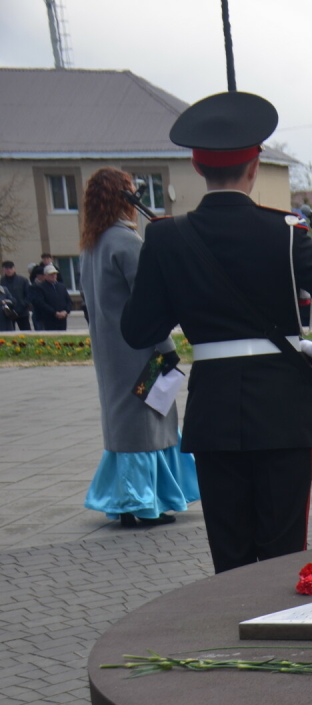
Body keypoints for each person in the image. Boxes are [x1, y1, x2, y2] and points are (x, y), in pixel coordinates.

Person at [121, 90, 312, 573]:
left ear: (196, 166)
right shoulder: (285, 232)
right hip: (282, 411)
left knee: (230, 566)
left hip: (213, 413)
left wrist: (177, 288)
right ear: (255, 165)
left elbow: (138, 330)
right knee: (282, 563)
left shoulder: (166, 239)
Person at [78, 167, 201, 528]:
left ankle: (129, 500)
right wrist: (167, 347)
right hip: (141, 353)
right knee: (148, 420)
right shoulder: (127, 242)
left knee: (124, 422)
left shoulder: (91, 244)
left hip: (108, 352)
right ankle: (142, 502)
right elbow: (148, 304)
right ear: (122, 196)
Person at [30, 264, 72, 330]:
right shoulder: (40, 287)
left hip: (62, 319)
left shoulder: (61, 286)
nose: (53, 276)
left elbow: (68, 300)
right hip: (48, 319)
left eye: (55, 274)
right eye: (51, 274)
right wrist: (54, 313)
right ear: (45, 276)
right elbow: (41, 303)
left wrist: (66, 311)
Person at [1, 261, 32, 330]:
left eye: (10, 268)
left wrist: (20, 308)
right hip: (7, 314)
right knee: (9, 334)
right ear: (3, 270)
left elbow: (29, 296)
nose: (9, 270)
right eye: (6, 268)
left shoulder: (23, 280)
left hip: (22, 313)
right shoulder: (1, 282)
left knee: (26, 333)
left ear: (14, 269)